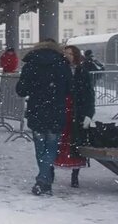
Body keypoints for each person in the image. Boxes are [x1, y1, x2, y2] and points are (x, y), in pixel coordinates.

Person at [15, 39, 72, 196]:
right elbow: (69, 89)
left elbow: (21, 89)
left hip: (37, 110)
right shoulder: (62, 64)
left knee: (40, 148)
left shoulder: (31, 64)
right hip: (56, 110)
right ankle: (44, 180)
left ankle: (43, 180)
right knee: (52, 146)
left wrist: (35, 89)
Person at [54, 45, 95, 188]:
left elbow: (89, 94)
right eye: (65, 53)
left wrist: (89, 114)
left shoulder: (82, 72)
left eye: (70, 54)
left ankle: (75, 174)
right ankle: (51, 170)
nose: (67, 56)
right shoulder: (59, 70)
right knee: (58, 141)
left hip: (76, 111)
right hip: (62, 110)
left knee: (76, 143)